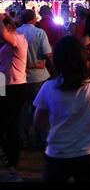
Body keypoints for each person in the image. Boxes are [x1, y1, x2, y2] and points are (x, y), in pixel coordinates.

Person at [33, 36, 90, 182]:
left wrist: (50, 136)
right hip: (88, 153)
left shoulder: (48, 87)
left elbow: (38, 121)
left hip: (57, 153)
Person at [17, 9, 52, 146]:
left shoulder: (16, 33)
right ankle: (41, 137)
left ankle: (23, 137)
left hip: (21, 76)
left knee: (24, 108)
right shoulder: (39, 33)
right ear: (33, 19)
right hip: (39, 76)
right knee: (41, 108)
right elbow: (47, 54)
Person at [0, 15, 28, 182]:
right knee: (10, 128)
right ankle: (11, 167)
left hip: (15, 87)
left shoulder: (19, 39)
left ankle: (12, 167)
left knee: (9, 127)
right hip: (4, 84)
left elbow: (4, 34)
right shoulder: (5, 44)